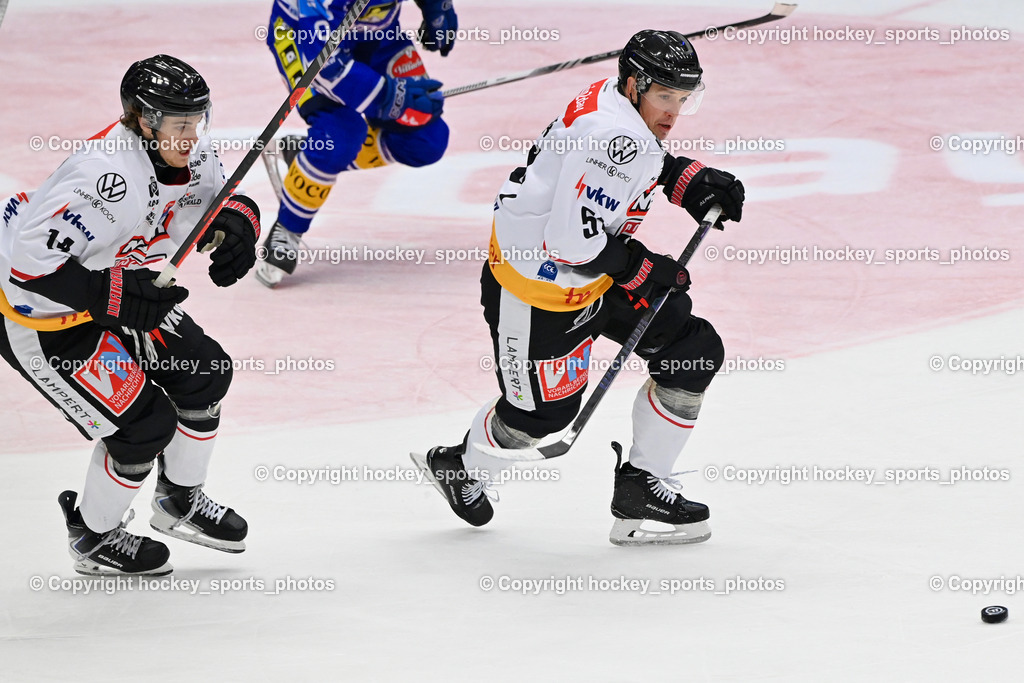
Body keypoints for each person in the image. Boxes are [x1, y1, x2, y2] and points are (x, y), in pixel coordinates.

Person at [411, 30, 745, 545]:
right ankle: (461, 467)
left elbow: (627, 169)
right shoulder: (615, 136)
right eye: (665, 97)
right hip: (535, 292)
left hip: (591, 275)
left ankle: (641, 486)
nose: (674, 112)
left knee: (692, 351)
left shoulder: (615, 106)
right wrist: (642, 268)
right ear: (634, 86)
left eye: (683, 99)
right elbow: (570, 239)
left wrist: (684, 177)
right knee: (539, 419)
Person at [0, 55, 261, 575]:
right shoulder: (103, 178)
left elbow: (214, 201)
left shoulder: (185, 149)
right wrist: (107, 296)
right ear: (144, 120)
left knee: (206, 371)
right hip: (41, 320)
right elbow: (26, 270)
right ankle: (92, 536)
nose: (193, 134)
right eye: (180, 122)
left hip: (110, 290)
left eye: (198, 119)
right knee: (143, 428)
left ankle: (178, 500)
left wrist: (238, 223)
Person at [256, 0, 457, 287]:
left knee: (426, 138)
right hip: (303, 40)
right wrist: (389, 96)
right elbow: (326, 65)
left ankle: (309, 159)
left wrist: (437, 6)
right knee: (339, 136)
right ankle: (289, 227)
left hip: (378, 34)